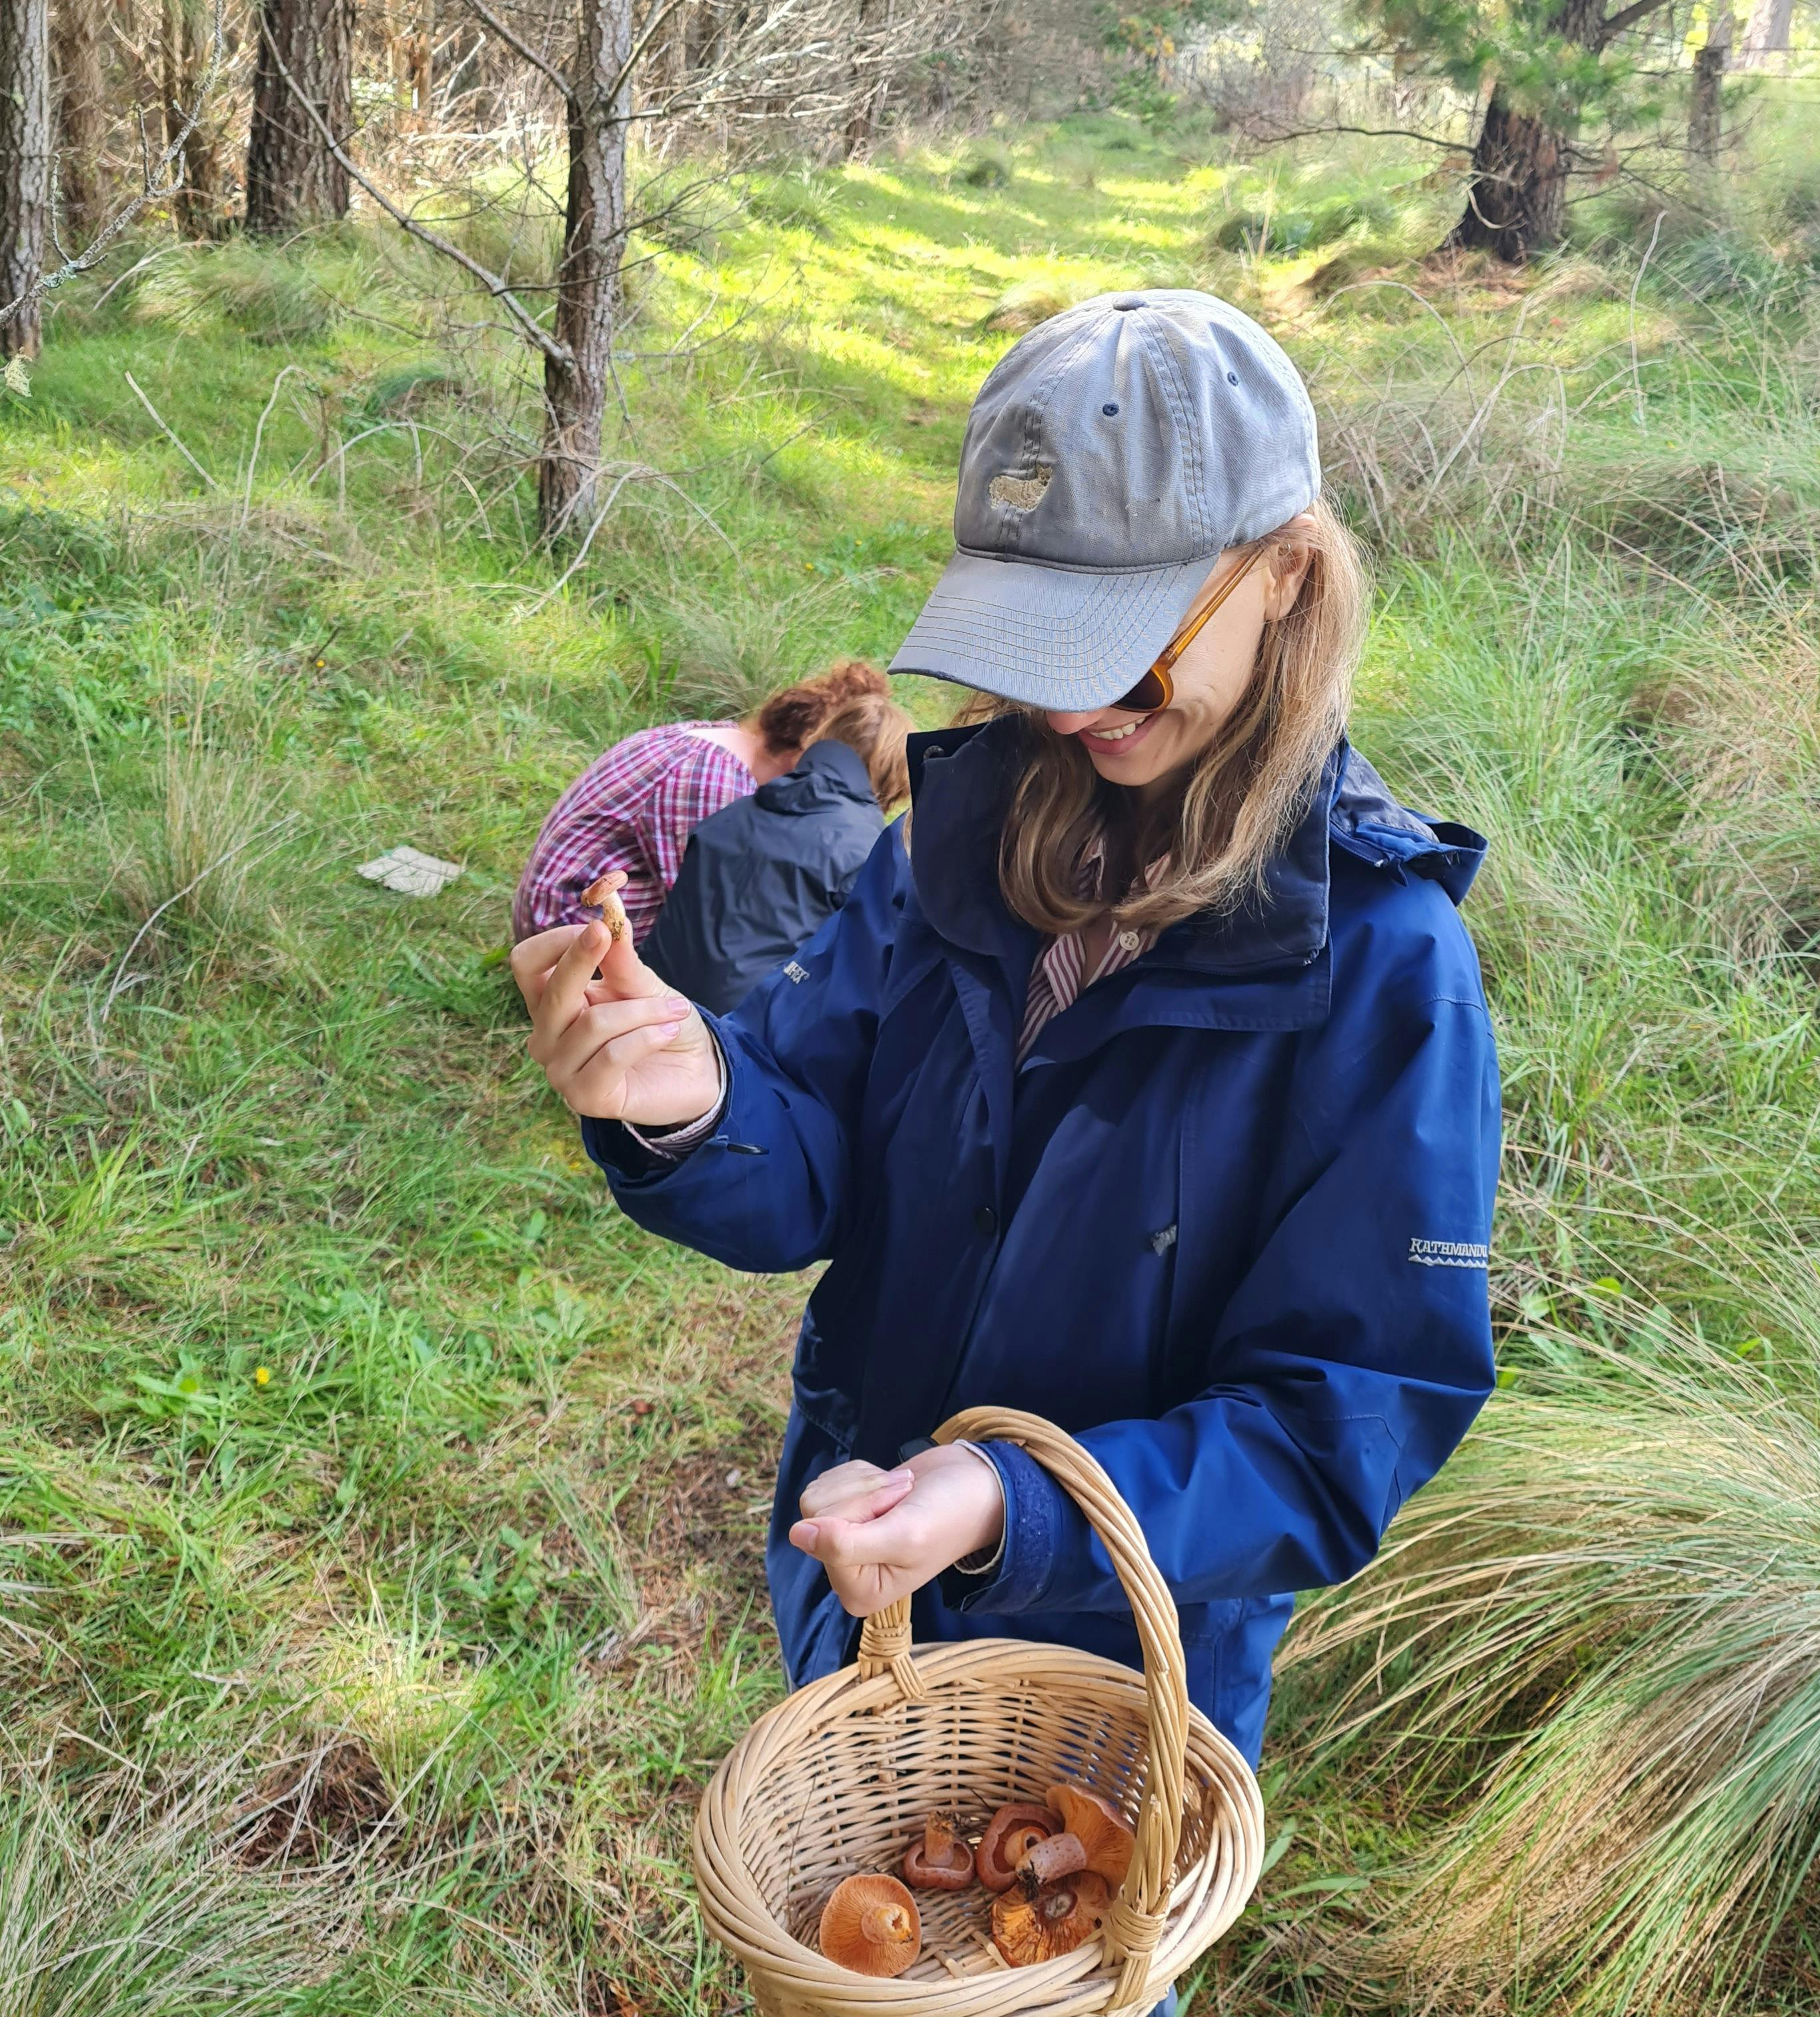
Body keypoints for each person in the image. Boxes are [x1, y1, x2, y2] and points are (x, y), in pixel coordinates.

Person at [512, 291, 1499, 1789]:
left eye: (1125, 646)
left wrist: (1016, 1503)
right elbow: (816, 1146)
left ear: (1288, 576)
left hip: (1115, 1680)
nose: (1069, 703)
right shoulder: (949, 850)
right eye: (1034, 644)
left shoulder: (1378, 967)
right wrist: (699, 1096)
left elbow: (1340, 1423)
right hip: (867, 1606)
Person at [512, 658, 890, 940]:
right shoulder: (715, 783)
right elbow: (722, 916)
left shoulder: (721, 742)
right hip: (564, 939)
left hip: (566, 916)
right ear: (802, 757)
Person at [638, 687, 914, 1014]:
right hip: (743, 1033)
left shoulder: (738, 808)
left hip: (649, 998)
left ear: (823, 739)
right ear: (896, 781)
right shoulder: (872, 853)